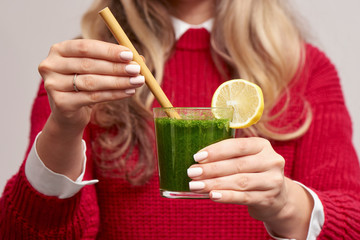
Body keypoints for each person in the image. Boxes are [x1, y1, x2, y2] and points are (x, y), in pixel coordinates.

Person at [1, 0, 359, 239]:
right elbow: (26, 233)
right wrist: (63, 130)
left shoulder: (305, 69)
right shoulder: (88, 71)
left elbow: (352, 222)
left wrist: (284, 203)